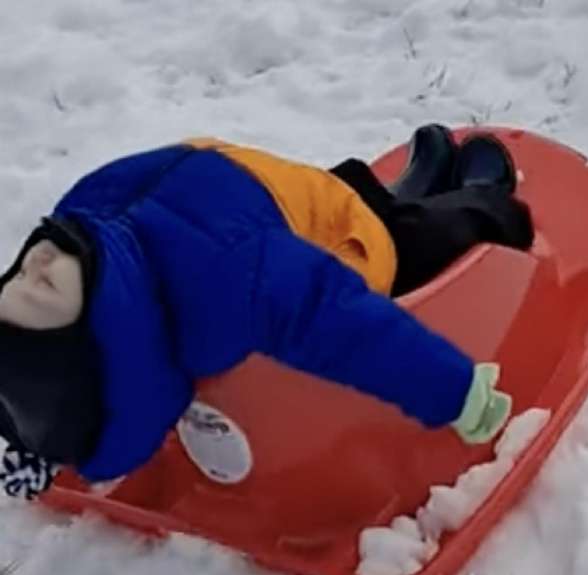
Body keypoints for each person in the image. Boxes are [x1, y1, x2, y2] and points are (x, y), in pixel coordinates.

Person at [0, 124, 534, 500]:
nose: (40, 257)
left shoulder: (85, 220)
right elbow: (348, 328)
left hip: (264, 193)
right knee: (398, 242)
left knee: (334, 193)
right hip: (284, 221)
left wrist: (37, 444)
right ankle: (481, 203)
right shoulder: (228, 280)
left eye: (20, 271)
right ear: (104, 337)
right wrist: (457, 392)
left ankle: (395, 195)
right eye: (43, 284)